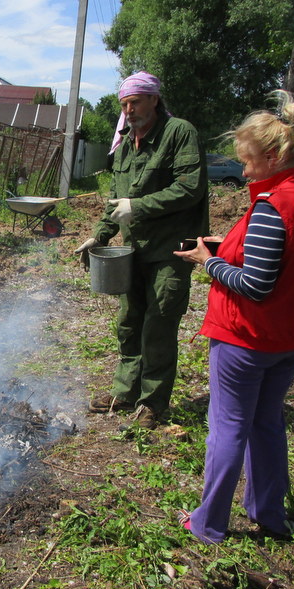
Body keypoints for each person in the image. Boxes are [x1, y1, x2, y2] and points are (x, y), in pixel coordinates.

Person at [174, 90, 294, 543]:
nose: (243, 170)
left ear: (271, 157)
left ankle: (207, 523)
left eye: (247, 162)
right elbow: (292, 257)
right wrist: (229, 244)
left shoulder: (273, 204)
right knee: (267, 421)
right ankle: (268, 511)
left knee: (228, 427)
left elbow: (256, 284)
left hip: (249, 337)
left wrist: (207, 261)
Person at [74, 71, 209, 429]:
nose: (129, 110)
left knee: (159, 324)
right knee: (130, 322)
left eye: (135, 102)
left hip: (171, 248)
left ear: (153, 99)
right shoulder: (124, 143)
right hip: (134, 249)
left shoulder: (179, 133)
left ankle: (152, 403)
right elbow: (114, 201)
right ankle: (125, 391)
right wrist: (99, 236)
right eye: (124, 104)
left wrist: (139, 206)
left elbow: (190, 187)